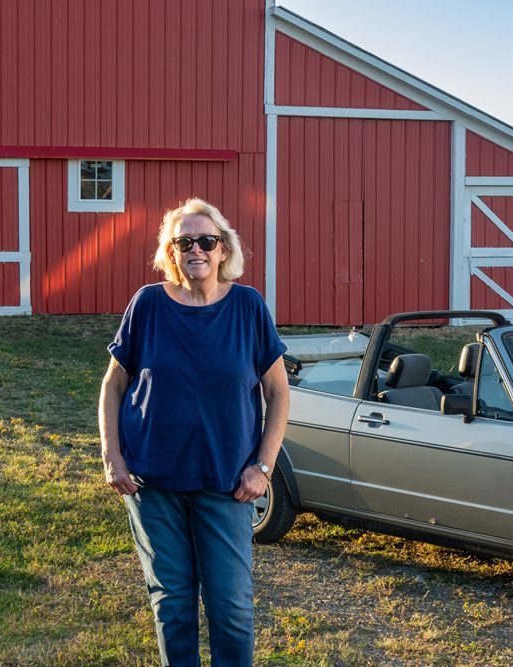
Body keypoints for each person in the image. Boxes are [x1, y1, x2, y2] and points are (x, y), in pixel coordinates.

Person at [98, 197, 290, 666]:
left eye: (207, 240)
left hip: (228, 486)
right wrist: (112, 457)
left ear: (223, 250)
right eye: (184, 242)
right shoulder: (147, 304)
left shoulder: (248, 307)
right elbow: (113, 385)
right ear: (171, 250)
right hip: (153, 484)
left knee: (231, 609)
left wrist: (262, 467)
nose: (196, 250)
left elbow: (279, 393)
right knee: (172, 604)